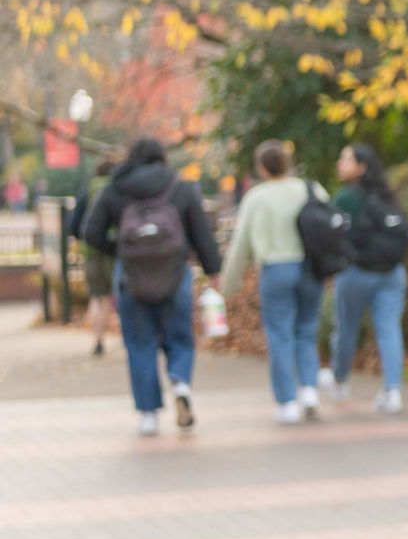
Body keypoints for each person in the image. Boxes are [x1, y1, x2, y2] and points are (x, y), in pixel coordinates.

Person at [81, 139, 222, 435]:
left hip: (131, 275)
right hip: (175, 272)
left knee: (139, 342)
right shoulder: (180, 187)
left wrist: (118, 250)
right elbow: (202, 233)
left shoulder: (116, 187)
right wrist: (213, 271)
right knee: (180, 337)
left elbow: (90, 231)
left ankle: (148, 414)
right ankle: (180, 381)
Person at [220, 140, 329, 424]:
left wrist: (227, 285)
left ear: (261, 167)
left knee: (279, 335)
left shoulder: (257, 197)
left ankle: (287, 402)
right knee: (306, 330)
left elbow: (240, 244)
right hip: (310, 267)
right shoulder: (311, 189)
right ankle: (309, 391)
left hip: (276, 270)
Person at [323, 143, 408, 414]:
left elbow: (332, 236)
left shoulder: (346, 198)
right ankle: (392, 390)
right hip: (392, 272)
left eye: (346, 159)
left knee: (347, 328)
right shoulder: (387, 197)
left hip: (356, 273)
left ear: (361, 167)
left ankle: (339, 381)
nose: (340, 163)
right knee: (389, 329)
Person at [68, 157, 117, 356]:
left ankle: (98, 340)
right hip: (113, 251)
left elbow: (73, 227)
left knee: (97, 297)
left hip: (91, 252)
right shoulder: (118, 191)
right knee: (115, 296)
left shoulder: (85, 193)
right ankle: (125, 338)